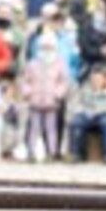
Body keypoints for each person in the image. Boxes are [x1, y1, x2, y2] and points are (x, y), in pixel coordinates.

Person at [17, 35, 71, 163]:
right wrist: (27, 92)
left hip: (51, 102)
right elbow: (25, 80)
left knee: (51, 128)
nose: (46, 50)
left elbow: (64, 81)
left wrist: (58, 94)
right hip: (35, 100)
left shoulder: (60, 64)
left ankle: (51, 152)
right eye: (44, 47)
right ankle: (31, 152)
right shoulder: (32, 64)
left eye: (49, 47)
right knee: (34, 127)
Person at [69, 64, 106, 161]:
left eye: (98, 80)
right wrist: (83, 111)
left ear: (103, 80)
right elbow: (76, 103)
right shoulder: (84, 89)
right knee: (76, 122)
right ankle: (77, 154)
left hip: (103, 115)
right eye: (94, 80)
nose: (96, 82)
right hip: (86, 114)